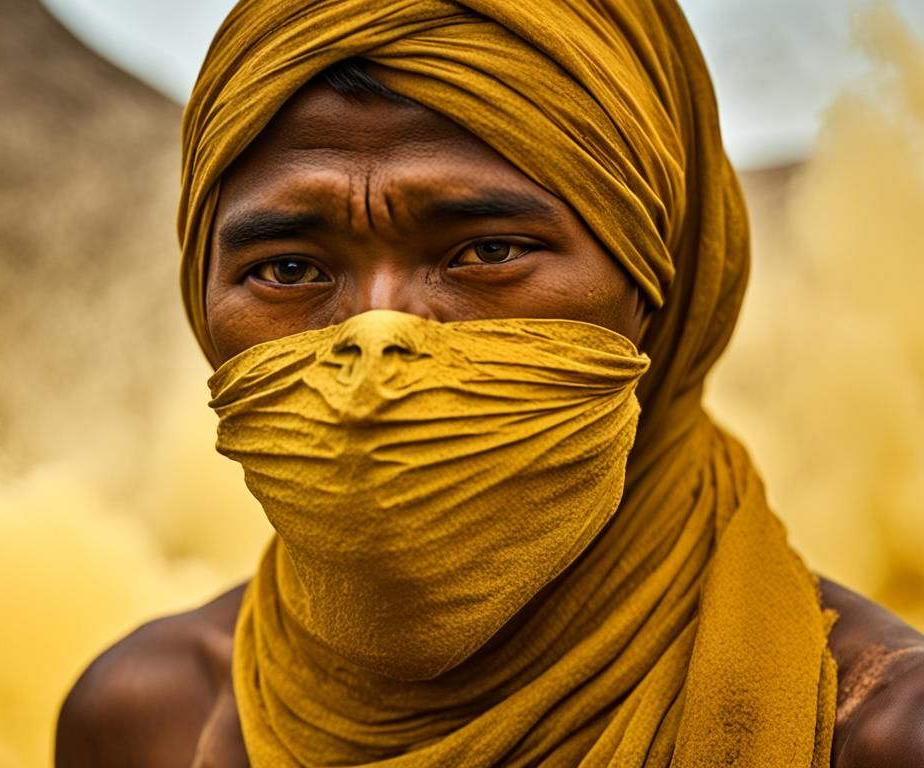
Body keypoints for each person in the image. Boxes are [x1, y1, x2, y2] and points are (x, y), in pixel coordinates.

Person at [56, 1, 924, 765]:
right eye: (288, 268)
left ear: (662, 285)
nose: (377, 335)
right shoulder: (149, 722)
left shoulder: (872, 735)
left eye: (489, 251)